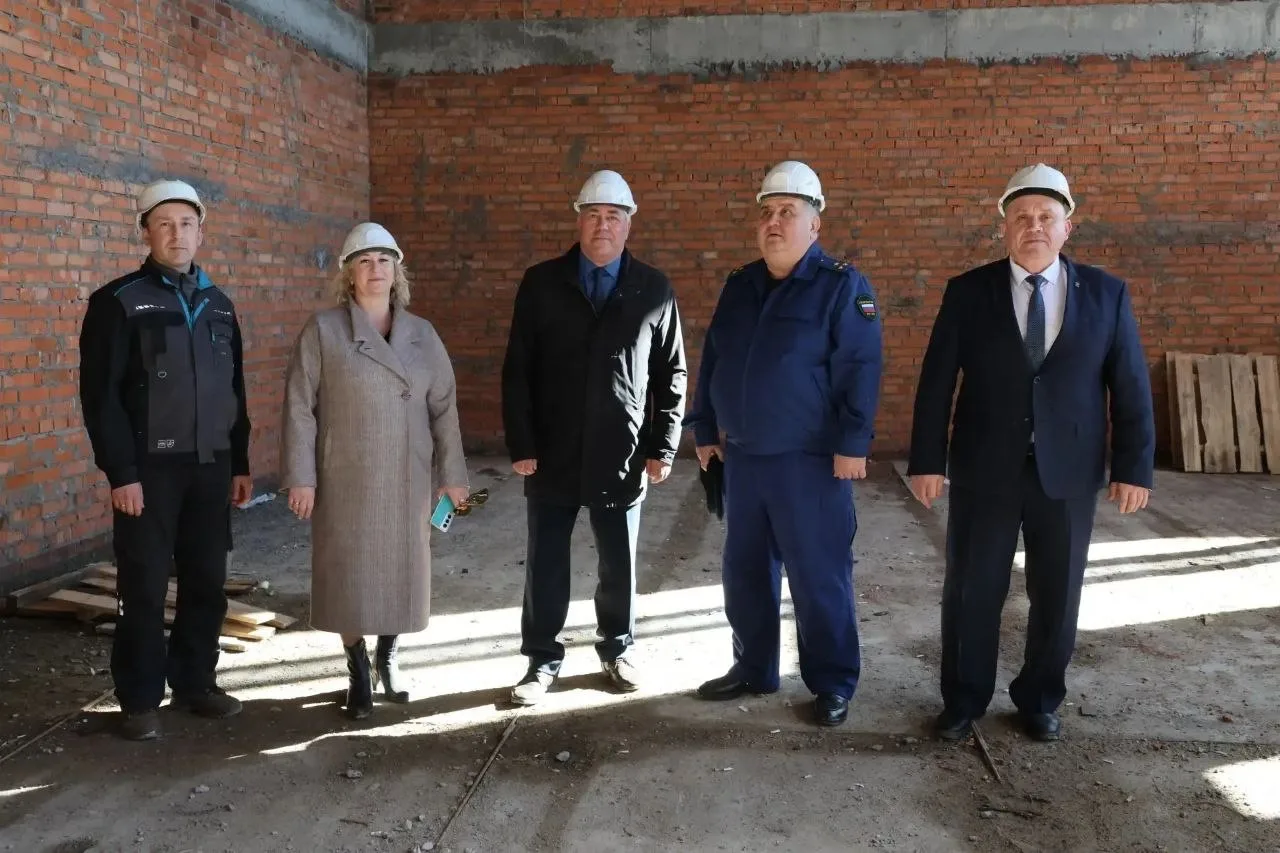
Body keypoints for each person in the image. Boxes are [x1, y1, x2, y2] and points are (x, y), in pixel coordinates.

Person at [906, 163, 1155, 743]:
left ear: (1068, 227)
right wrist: (926, 460)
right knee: (972, 589)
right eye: (1021, 217)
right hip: (985, 469)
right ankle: (963, 699)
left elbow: (1130, 385)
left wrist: (1134, 467)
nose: (1034, 226)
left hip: (1068, 473)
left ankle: (1040, 699)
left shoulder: (1107, 294)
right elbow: (936, 381)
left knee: (1058, 594)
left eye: (1046, 216)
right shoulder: (968, 292)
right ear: (1005, 228)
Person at [684, 161, 883, 727]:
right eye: (767, 212)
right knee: (745, 571)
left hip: (810, 461)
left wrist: (853, 443)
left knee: (819, 575)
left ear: (814, 225)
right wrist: (705, 429)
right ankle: (753, 667)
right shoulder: (740, 284)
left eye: (788, 212)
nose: (774, 222)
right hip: (745, 457)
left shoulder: (840, 285)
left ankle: (832, 682)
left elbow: (860, 366)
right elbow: (715, 357)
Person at [500, 169, 688, 706]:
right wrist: (522, 444)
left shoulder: (653, 288)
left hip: (621, 449)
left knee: (618, 562)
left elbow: (672, 371)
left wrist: (663, 445)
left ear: (629, 224)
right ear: (578, 220)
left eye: (614, 216)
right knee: (546, 561)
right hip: (552, 450)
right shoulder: (542, 283)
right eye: (593, 215)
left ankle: (618, 649)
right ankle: (541, 658)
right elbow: (518, 368)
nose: (603, 225)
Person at [79, 179, 253, 741]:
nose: (177, 234)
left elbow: (235, 390)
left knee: (206, 582)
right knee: (145, 586)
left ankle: (196, 682)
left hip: (210, 467)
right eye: (164, 224)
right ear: (146, 232)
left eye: (187, 224)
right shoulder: (118, 301)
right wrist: (121, 473)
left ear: (200, 231)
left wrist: (240, 462)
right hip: (148, 474)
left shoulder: (220, 304)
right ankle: (138, 701)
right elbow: (100, 397)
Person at [280, 222, 470, 720]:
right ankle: (357, 666)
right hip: (346, 474)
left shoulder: (422, 334)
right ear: (348, 274)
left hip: (409, 475)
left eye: (384, 260)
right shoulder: (323, 330)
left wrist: (453, 477)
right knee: (349, 572)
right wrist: (301, 476)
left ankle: (389, 655)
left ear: (397, 271)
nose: (375, 269)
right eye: (364, 261)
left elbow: (444, 410)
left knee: (401, 570)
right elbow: (299, 406)